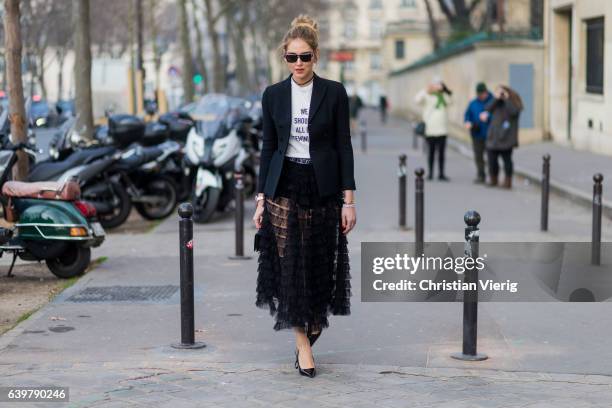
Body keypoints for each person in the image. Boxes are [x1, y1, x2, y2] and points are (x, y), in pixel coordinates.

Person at [252, 14, 357, 379]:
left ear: (316, 56)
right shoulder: (273, 95)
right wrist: (261, 199)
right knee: (290, 266)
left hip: (322, 187)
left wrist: (349, 200)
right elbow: (268, 148)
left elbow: (344, 146)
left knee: (316, 267)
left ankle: (310, 328)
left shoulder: (335, 92)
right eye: (292, 57)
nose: (298, 64)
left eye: (305, 57)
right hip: (284, 186)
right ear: (284, 57)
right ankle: (302, 345)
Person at [479, 85, 523, 189]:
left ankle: (508, 181)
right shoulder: (495, 102)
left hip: (506, 138)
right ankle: (493, 179)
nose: (501, 94)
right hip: (493, 138)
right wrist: (496, 98)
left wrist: (506, 99)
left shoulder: (513, 102)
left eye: (502, 92)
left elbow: (514, 112)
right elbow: (487, 108)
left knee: (507, 161)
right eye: (498, 92)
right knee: (492, 161)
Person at [415, 79, 452, 181]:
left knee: (441, 153)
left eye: (439, 85)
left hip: (442, 130)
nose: (437, 87)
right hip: (430, 129)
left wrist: (443, 90)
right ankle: (430, 173)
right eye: (435, 85)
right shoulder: (427, 95)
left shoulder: (443, 96)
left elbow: (450, 101)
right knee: (431, 152)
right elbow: (417, 100)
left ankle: (441, 173)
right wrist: (426, 90)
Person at [464, 82, 493, 184]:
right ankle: (481, 175)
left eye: (482, 94)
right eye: (479, 94)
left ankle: (492, 177)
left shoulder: (493, 101)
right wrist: (467, 122)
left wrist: (488, 117)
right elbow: (467, 115)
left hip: (490, 134)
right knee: (478, 156)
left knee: (490, 157)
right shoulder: (473, 103)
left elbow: (498, 116)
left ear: (486, 92)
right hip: (476, 134)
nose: (480, 96)